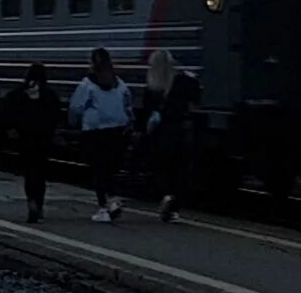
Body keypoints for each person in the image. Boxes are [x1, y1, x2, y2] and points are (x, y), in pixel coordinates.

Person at [68, 46, 134, 223]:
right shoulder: (119, 83)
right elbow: (128, 105)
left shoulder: (87, 84)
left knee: (99, 170)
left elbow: (76, 107)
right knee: (111, 169)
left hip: (95, 132)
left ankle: (104, 207)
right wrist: (129, 123)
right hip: (118, 131)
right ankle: (113, 200)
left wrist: (73, 122)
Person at [144, 49, 204, 222]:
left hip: (161, 134)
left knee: (163, 168)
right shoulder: (185, 80)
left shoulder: (153, 85)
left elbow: (148, 109)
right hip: (181, 131)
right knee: (181, 170)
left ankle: (167, 196)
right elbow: (196, 101)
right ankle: (174, 208)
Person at [3, 63, 60, 223]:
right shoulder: (49, 95)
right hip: (43, 138)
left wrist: (12, 128)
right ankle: (39, 205)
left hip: (25, 138)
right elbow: (56, 114)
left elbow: (7, 109)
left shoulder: (18, 94)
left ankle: (31, 202)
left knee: (29, 172)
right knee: (40, 174)